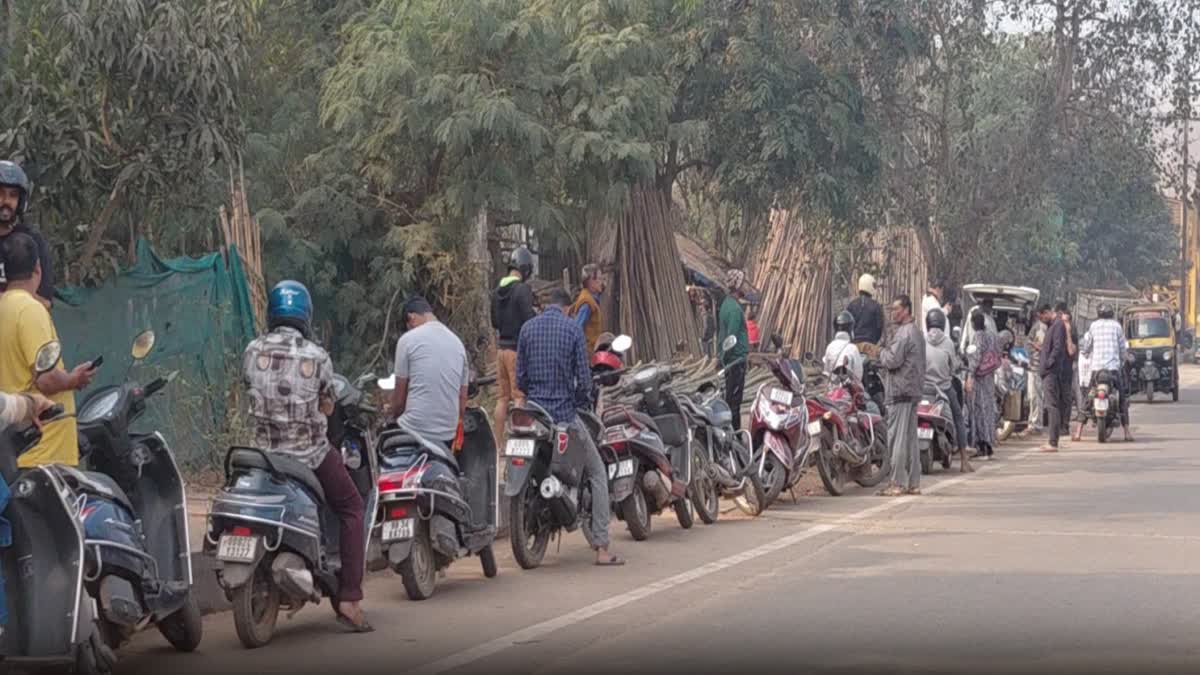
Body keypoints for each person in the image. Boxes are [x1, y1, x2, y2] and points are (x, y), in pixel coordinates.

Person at [242, 280, 372, 632]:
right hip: (308, 455)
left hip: (263, 455)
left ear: (272, 313)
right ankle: (349, 599)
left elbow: (249, 388)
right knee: (352, 508)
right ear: (306, 315)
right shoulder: (317, 356)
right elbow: (328, 405)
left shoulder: (252, 350)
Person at [516, 287, 623, 566]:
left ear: (546, 305)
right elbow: (584, 380)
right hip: (563, 414)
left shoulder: (527, 329)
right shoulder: (572, 329)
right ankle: (601, 547)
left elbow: (521, 379)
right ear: (567, 308)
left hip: (535, 413)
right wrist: (577, 400)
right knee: (597, 471)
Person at [0, 233, 94, 468]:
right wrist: (74, 379)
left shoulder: (3, 307)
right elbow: (46, 379)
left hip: (13, 451)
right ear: (38, 268)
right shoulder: (30, 310)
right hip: (44, 450)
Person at [390, 296, 469, 449]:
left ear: (411, 318)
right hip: (447, 435)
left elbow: (399, 402)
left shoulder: (407, 340)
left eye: (408, 326)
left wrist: (390, 418)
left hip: (414, 431)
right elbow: (462, 405)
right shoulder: (458, 344)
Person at [877, 295, 925, 496]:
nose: (893, 313)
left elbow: (892, 360)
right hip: (912, 390)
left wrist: (879, 352)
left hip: (900, 391)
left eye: (896, 309)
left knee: (896, 438)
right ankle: (913, 483)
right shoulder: (917, 332)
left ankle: (897, 482)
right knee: (910, 439)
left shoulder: (904, 333)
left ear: (906, 310)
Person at [491, 246, 537, 450]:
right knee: (519, 396)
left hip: (501, 351)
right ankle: (516, 443)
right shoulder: (522, 290)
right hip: (516, 351)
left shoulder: (496, 291)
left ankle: (497, 446)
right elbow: (529, 320)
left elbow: (494, 322)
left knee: (502, 398)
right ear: (525, 269)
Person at [0, 161, 55, 308]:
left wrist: (8, 299)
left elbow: (46, 303)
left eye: (13, 195)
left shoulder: (32, 242)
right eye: (0, 193)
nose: (6, 201)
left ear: (20, 202)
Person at [1075, 303, 1133, 442]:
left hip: (1097, 370)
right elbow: (1122, 348)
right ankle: (1127, 432)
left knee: (1087, 398)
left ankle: (1078, 432)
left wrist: (1086, 352)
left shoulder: (1093, 326)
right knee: (1122, 399)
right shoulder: (1117, 326)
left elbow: (1086, 347)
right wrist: (1125, 358)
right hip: (1113, 370)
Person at [925, 309, 971, 473]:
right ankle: (964, 460)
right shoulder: (948, 343)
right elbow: (953, 367)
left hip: (923, 388)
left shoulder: (922, 339)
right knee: (959, 417)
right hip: (944, 387)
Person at [717, 270, 751, 430]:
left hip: (731, 360)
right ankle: (735, 435)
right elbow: (731, 338)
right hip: (735, 361)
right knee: (734, 403)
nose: (745, 286)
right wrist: (727, 359)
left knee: (730, 399)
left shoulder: (726, 304)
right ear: (737, 286)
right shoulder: (735, 310)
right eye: (743, 283)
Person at [1039, 302, 1074, 452]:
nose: (1042, 320)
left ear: (1047, 312)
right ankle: (1052, 440)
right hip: (1049, 371)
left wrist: (1049, 363)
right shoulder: (1053, 326)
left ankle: (1053, 441)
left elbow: (1058, 347)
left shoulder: (1058, 325)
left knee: (1052, 406)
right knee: (1052, 405)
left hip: (1051, 372)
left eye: (1042, 317)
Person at [966, 311, 1000, 460]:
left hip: (980, 379)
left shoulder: (978, 336)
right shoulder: (991, 336)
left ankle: (983, 446)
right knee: (988, 410)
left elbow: (976, 357)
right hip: (989, 378)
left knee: (979, 411)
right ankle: (989, 444)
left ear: (973, 323)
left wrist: (970, 375)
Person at [1021, 304, 1053, 437]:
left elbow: (1041, 346)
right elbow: (1029, 344)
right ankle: (1033, 423)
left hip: (1037, 366)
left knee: (1036, 396)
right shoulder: (1038, 327)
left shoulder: (1044, 327)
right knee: (1033, 396)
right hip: (1034, 366)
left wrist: (1037, 347)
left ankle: (1035, 425)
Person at [569, 263, 605, 353]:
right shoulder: (587, 303)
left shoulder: (592, 298)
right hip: (588, 352)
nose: (602, 282)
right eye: (599, 279)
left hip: (592, 350)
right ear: (591, 282)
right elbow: (577, 328)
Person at [823, 311, 863, 381]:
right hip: (848, 386)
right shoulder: (853, 348)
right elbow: (858, 374)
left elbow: (826, 371)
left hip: (832, 386)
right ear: (850, 328)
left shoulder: (830, 346)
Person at [847, 273, 884, 344]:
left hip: (854, 344)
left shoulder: (851, 305)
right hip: (870, 345)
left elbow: (847, 326)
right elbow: (879, 328)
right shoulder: (876, 306)